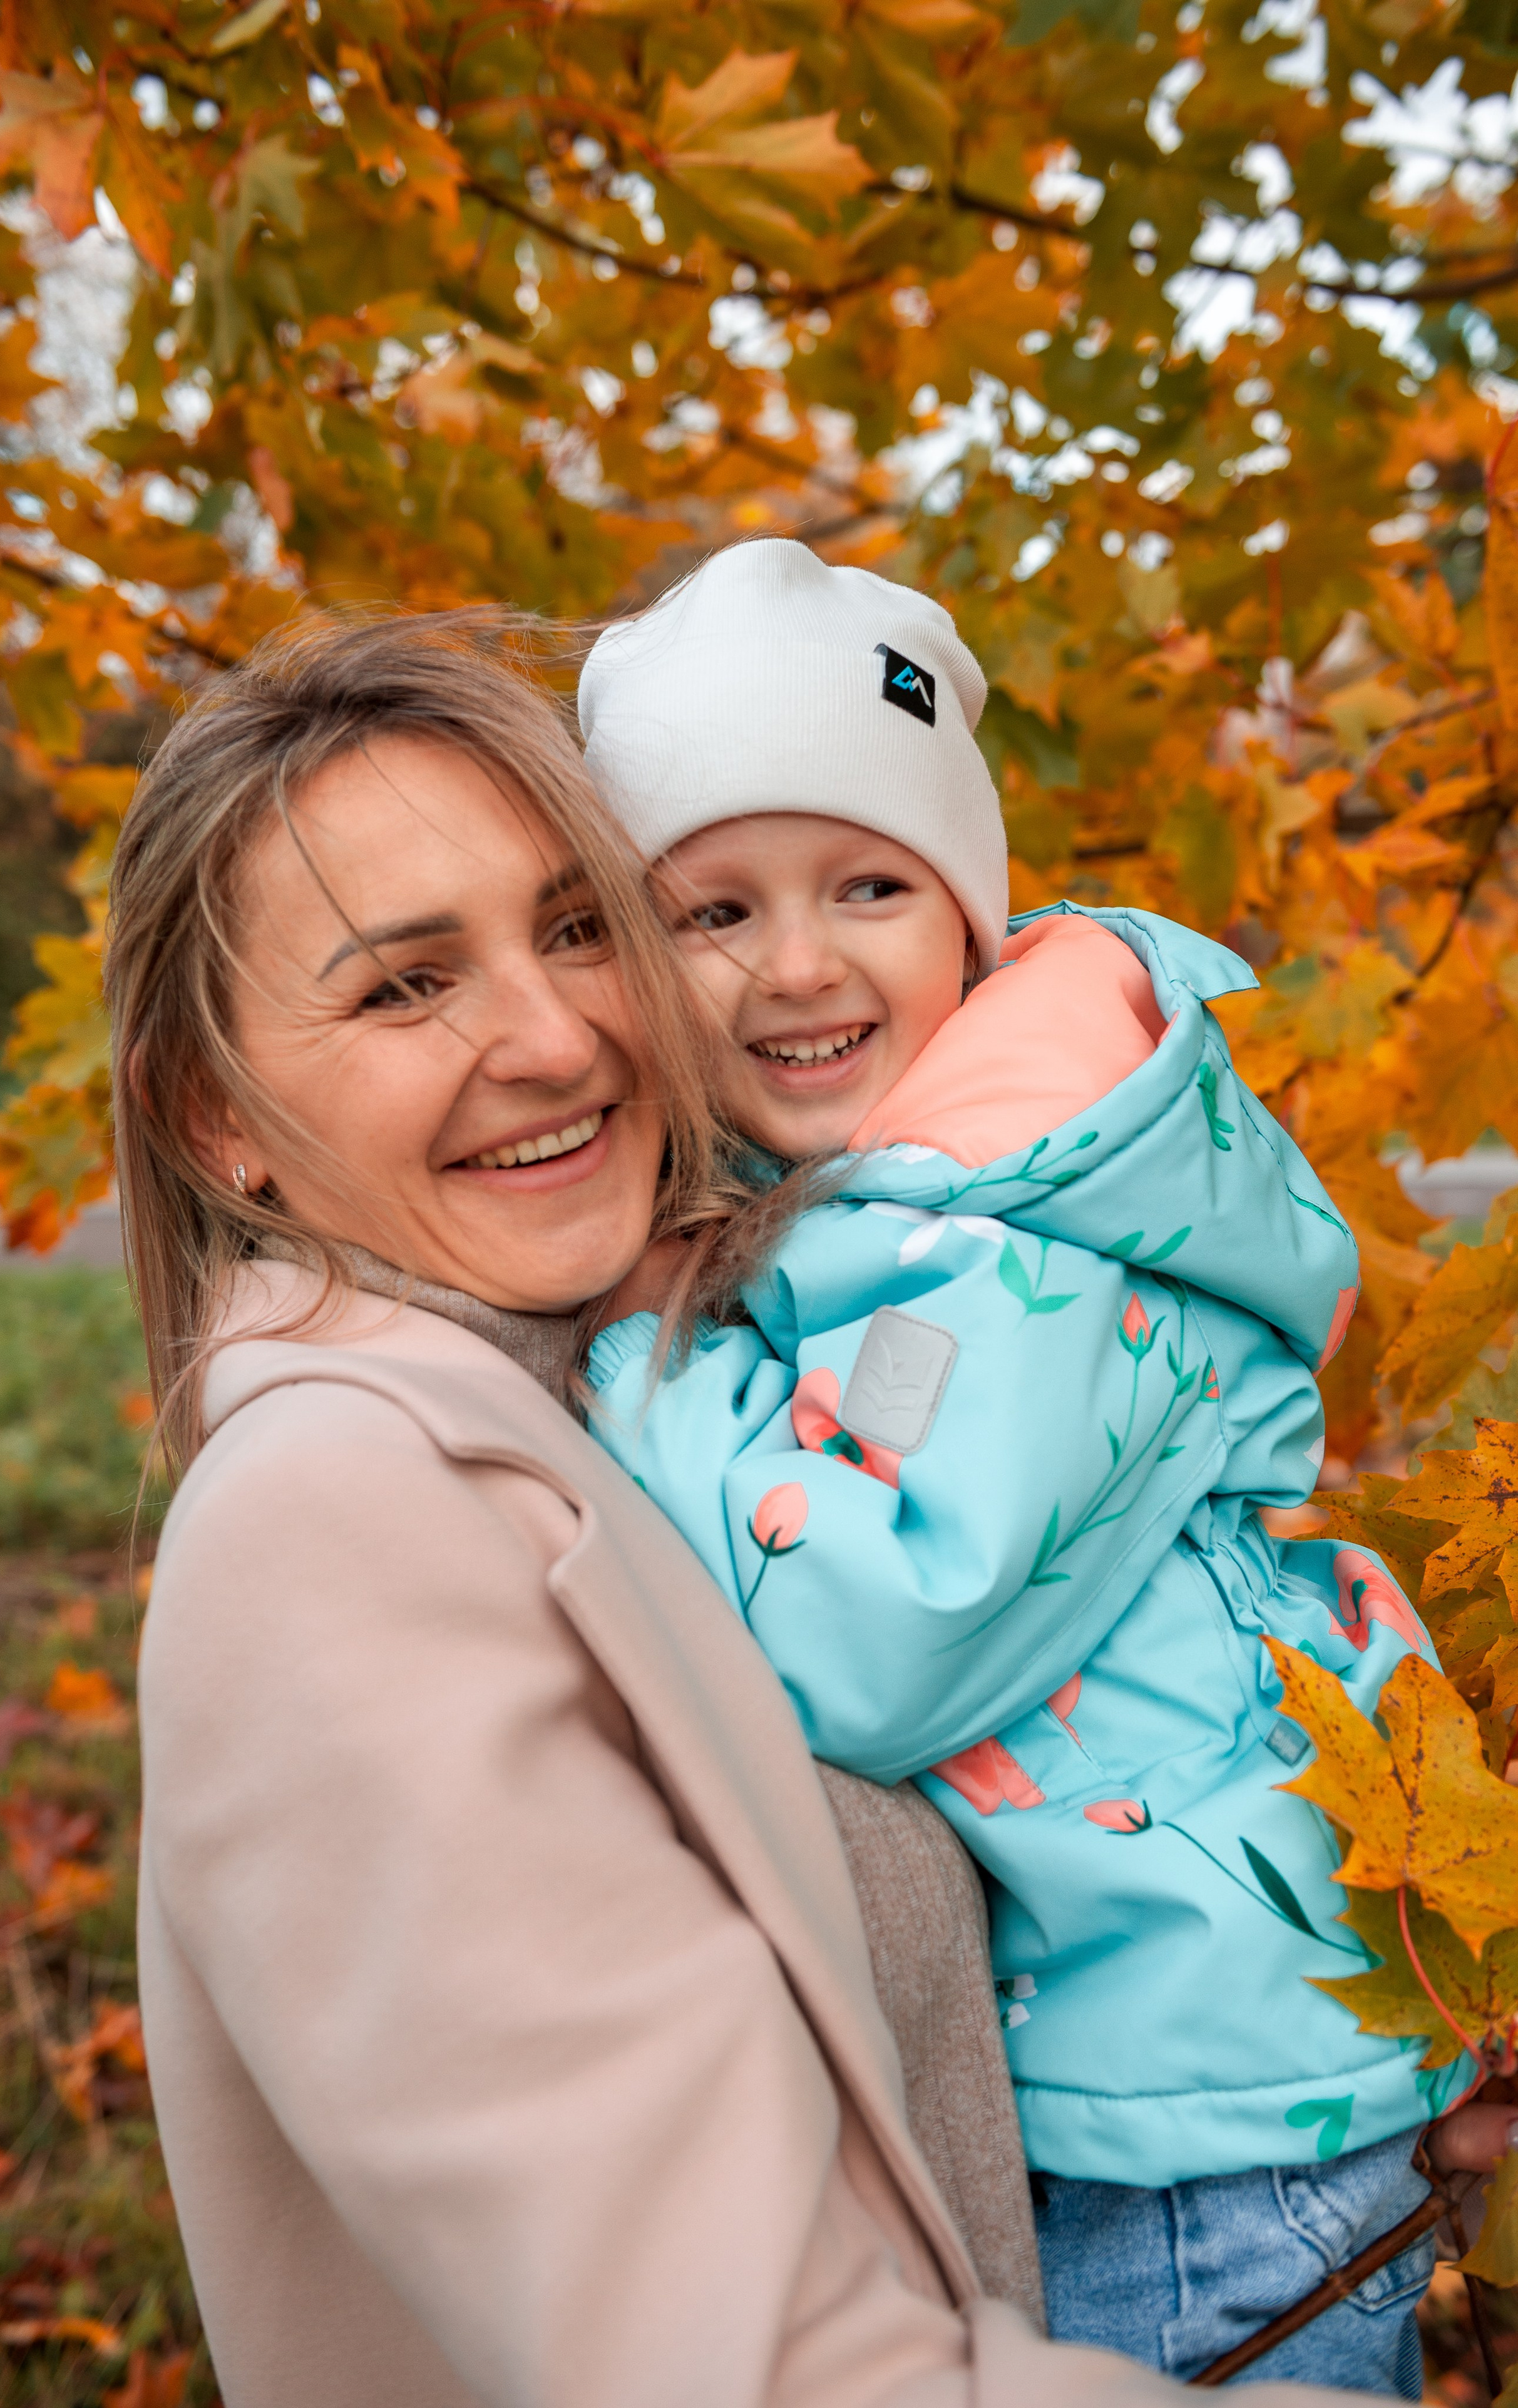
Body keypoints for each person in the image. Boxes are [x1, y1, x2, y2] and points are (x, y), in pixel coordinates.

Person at [110, 607, 1348, 2408]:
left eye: (575, 926)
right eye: (405, 984)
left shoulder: (683, 1373)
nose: (554, 1036)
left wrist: (1290, 2072)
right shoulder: (336, 1529)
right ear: (214, 1113)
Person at [577, 540, 1491, 2395]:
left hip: (1194, 2131)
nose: (799, 963)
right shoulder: (934, 1193)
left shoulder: (994, 1251)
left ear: (977, 919)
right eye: (714, 912)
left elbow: (885, 1632)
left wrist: (631, 1367)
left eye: (868, 886)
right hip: (1207, 2052)